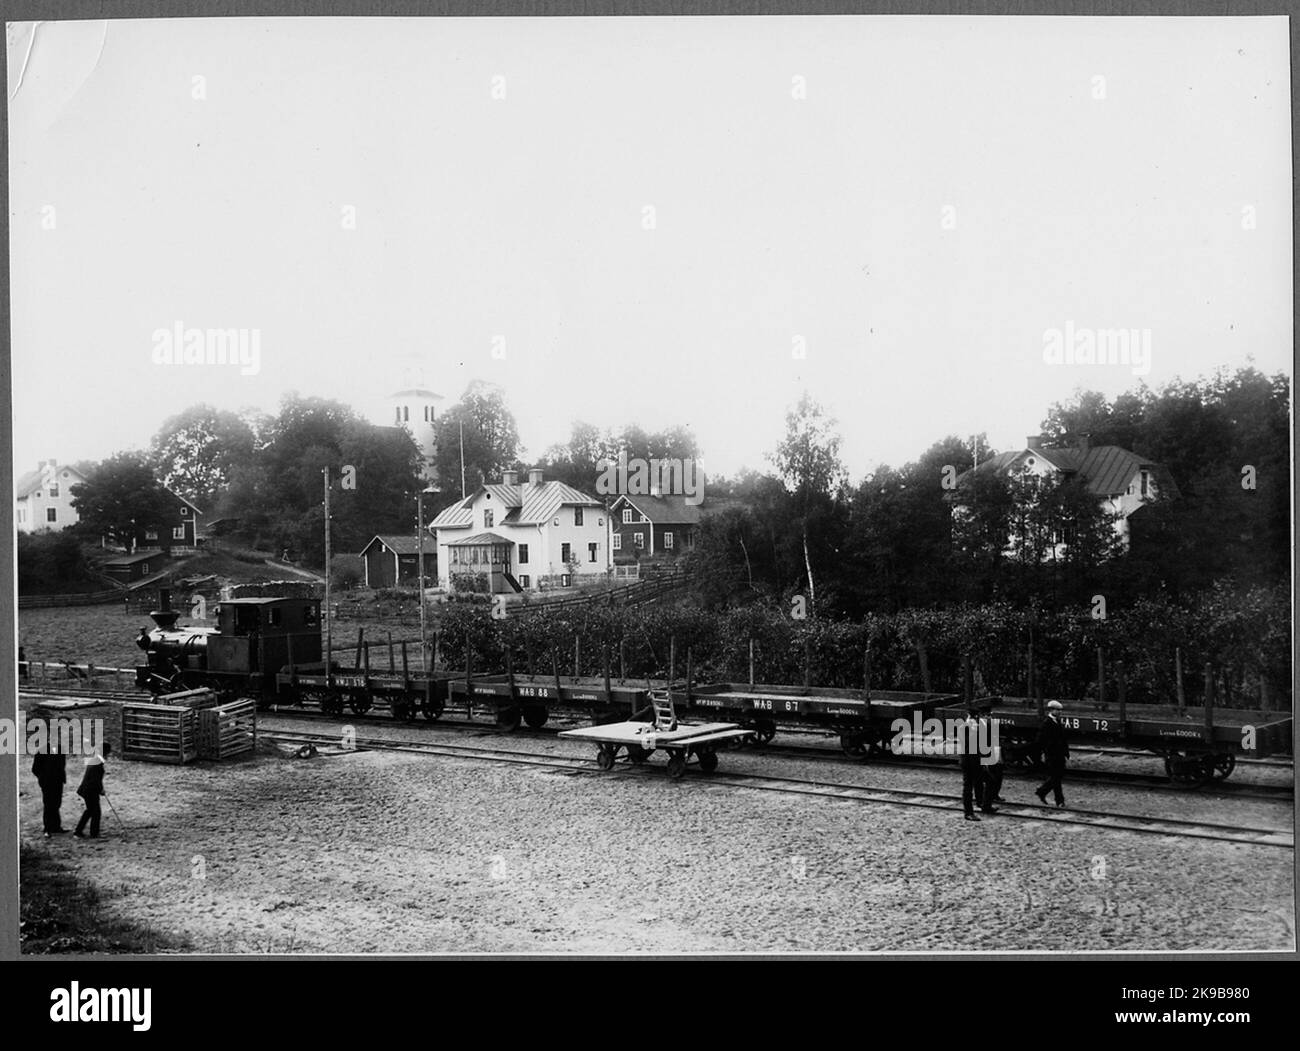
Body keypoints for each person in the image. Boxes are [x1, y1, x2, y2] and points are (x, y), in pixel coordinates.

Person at [1036, 700, 1069, 807]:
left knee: (1057, 777)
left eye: (1060, 710)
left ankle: (1043, 792)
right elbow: (1041, 740)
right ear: (1051, 710)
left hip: (1059, 755)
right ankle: (1059, 800)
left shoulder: (1057, 722)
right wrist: (1048, 751)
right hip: (1052, 755)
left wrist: (1065, 752)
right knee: (1056, 777)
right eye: (1057, 710)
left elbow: (1063, 739)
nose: (1059, 712)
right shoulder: (1047, 723)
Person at [74, 742, 111, 839]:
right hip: (90, 791)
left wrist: (100, 789)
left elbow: (96, 779)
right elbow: (95, 781)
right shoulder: (98, 763)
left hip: (87, 790)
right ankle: (93, 833)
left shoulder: (95, 760)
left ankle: (79, 831)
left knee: (90, 811)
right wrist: (101, 790)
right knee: (96, 812)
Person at [32, 745, 67, 837]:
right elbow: (35, 768)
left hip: (58, 781)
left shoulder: (61, 748)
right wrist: (42, 778)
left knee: (57, 803)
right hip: (47, 782)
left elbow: (62, 765)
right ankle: (47, 828)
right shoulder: (42, 750)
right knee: (48, 804)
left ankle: (56, 827)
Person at [976, 701, 1004, 813]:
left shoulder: (990, 725)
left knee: (997, 776)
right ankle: (984, 803)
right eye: (987, 715)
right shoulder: (979, 727)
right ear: (981, 715)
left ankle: (991, 798)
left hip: (993, 755)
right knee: (986, 781)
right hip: (984, 758)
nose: (989, 717)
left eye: (990, 715)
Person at [959, 707, 983, 821]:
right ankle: (968, 812)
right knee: (968, 787)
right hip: (969, 761)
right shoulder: (967, 728)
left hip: (972, 760)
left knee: (976, 783)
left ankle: (981, 804)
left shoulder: (969, 727)